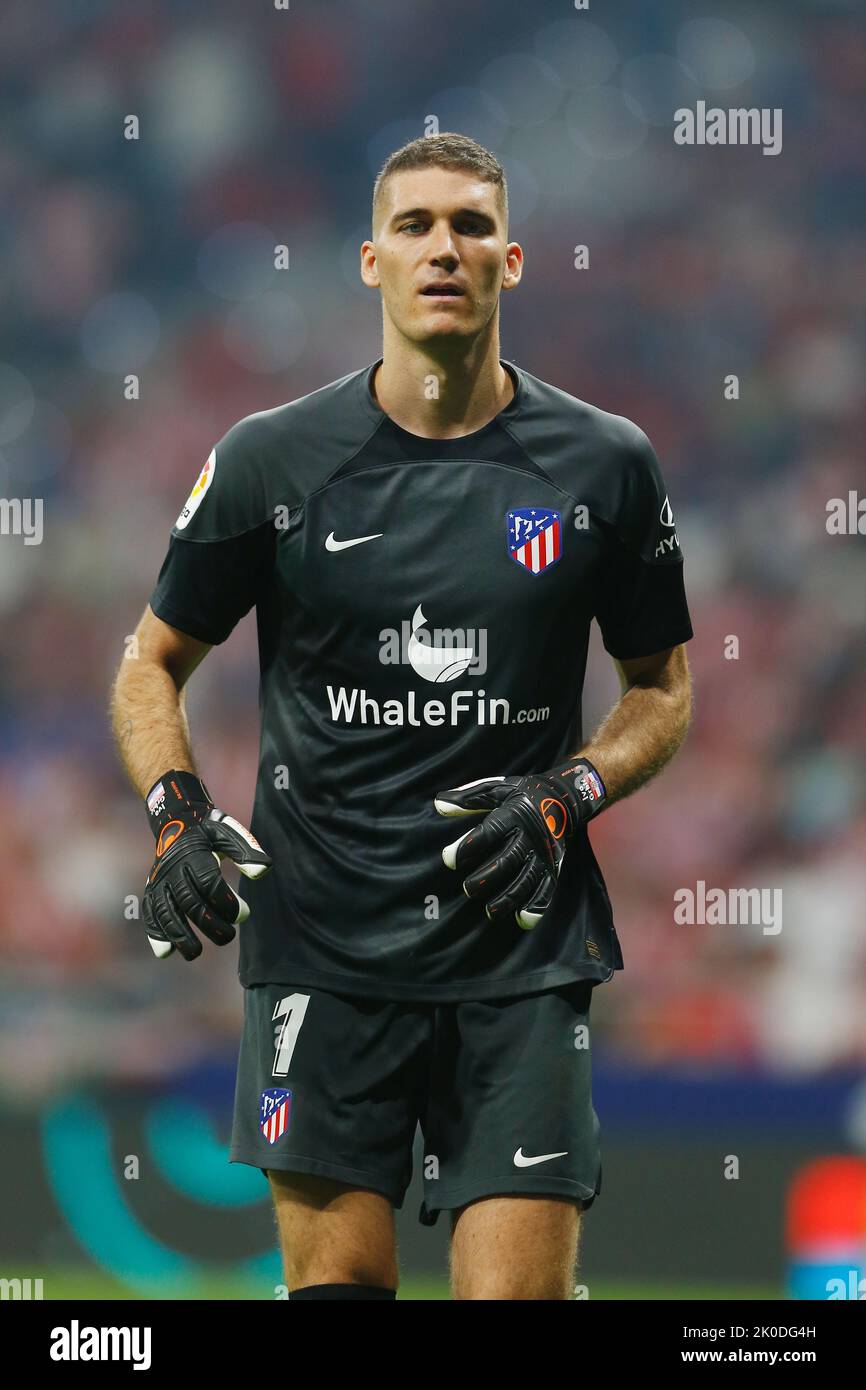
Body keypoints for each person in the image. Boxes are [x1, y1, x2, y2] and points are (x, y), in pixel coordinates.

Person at [110, 132, 693, 1301]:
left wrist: (566, 794)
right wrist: (176, 816)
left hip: (517, 956)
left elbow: (662, 688)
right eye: (416, 227)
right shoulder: (270, 462)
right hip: (321, 950)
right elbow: (148, 663)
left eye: (471, 226)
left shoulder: (604, 465)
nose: (444, 248)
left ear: (512, 261)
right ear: (369, 260)